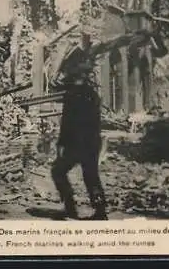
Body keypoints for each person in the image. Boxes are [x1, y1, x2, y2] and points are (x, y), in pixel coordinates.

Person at [50, 50, 108, 220]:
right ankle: (100, 210)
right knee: (91, 175)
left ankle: (70, 206)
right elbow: (96, 122)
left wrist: (61, 144)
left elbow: (68, 123)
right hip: (92, 142)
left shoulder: (72, 95)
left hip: (76, 143)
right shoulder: (92, 94)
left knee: (58, 171)